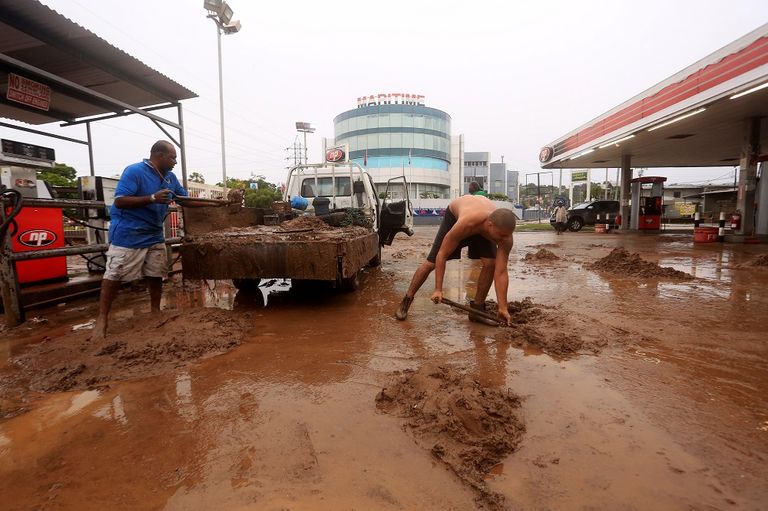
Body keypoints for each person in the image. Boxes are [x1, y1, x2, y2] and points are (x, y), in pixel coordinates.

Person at [92, 140, 225, 340]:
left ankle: (155, 310)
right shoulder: (135, 171)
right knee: (114, 274)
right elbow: (119, 201)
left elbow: (185, 200)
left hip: (154, 233)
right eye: (173, 158)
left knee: (155, 272)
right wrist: (152, 198)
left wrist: (215, 204)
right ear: (159, 155)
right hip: (129, 234)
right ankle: (102, 319)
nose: (175, 162)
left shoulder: (170, 178)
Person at [395, 194, 517, 325]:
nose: (503, 239)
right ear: (490, 225)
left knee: (491, 264)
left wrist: (503, 307)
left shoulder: (505, 236)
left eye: (507, 236)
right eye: (501, 236)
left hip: (480, 219)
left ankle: (477, 310)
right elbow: (442, 254)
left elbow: (501, 272)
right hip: (456, 217)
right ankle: (407, 300)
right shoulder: (466, 223)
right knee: (431, 263)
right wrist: (438, 289)